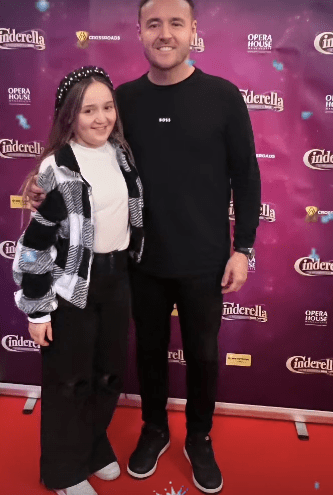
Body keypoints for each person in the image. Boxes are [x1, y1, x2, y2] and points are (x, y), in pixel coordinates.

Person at [28, 0, 261, 493]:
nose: (164, 33)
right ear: (139, 31)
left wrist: (245, 247)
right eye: (153, 23)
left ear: (193, 31)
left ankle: (199, 438)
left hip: (206, 263)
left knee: (201, 356)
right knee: (147, 355)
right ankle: (153, 431)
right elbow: (82, 154)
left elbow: (247, 174)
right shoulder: (124, 100)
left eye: (176, 23)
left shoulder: (223, 96)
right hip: (138, 265)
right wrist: (44, 185)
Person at [13, 66, 144, 495]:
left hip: (117, 280)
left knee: (108, 374)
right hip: (72, 291)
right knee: (69, 380)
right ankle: (63, 471)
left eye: (107, 107)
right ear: (70, 116)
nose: (101, 118)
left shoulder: (120, 152)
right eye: (89, 110)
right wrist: (37, 308)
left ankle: (93, 446)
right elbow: (34, 244)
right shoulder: (57, 167)